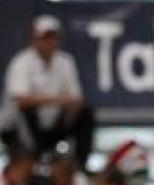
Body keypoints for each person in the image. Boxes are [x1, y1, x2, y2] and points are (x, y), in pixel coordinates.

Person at [1, 15, 94, 170]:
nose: (48, 43)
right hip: (17, 129)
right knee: (27, 112)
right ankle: (32, 159)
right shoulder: (21, 62)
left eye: (52, 38)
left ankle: (79, 168)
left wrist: (60, 106)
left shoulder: (65, 62)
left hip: (51, 125)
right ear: (34, 39)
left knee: (85, 115)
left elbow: (76, 100)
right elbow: (21, 100)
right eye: (44, 38)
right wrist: (59, 100)